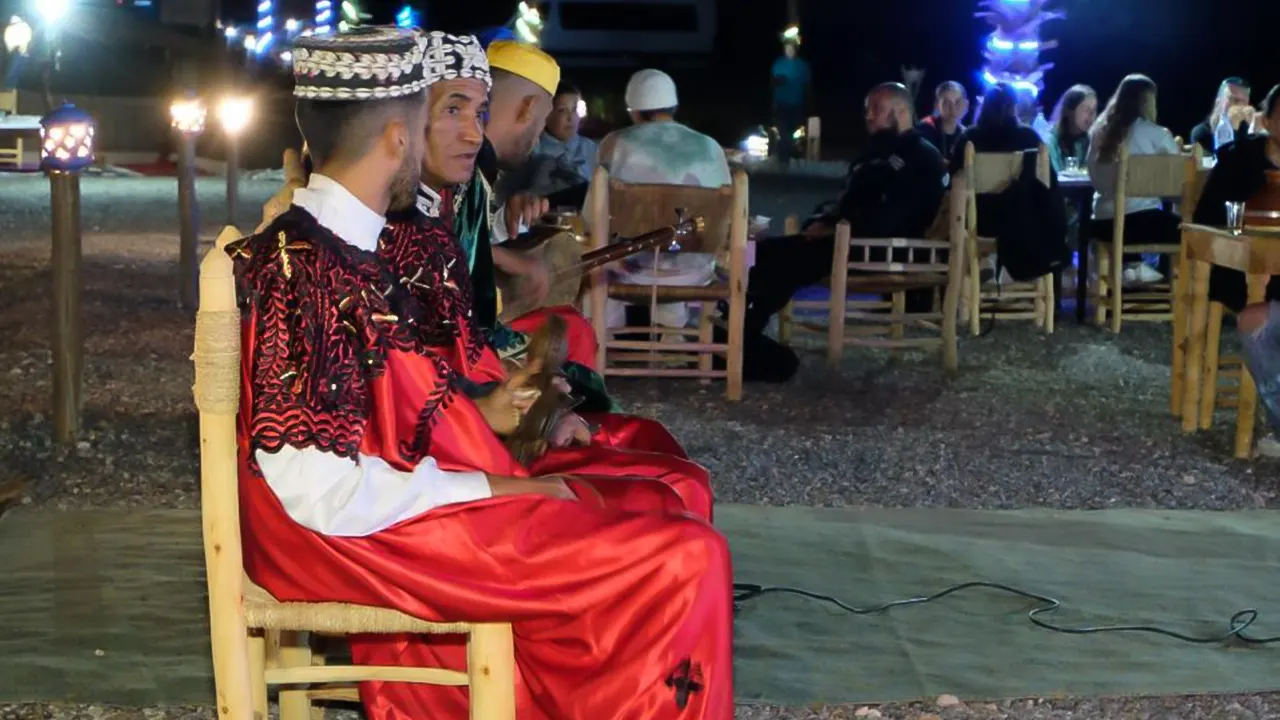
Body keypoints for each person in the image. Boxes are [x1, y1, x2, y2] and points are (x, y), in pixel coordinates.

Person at [232, 27, 733, 720]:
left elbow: (398, 415)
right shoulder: (307, 267)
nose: (467, 133)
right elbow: (318, 490)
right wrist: (497, 485)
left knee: (658, 512)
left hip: (386, 509)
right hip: (347, 539)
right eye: (440, 111)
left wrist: (495, 419)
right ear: (401, 135)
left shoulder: (349, 248)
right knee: (681, 555)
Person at [378, 31, 713, 517]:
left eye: (479, 113)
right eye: (454, 111)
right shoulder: (347, 247)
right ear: (400, 125)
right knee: (676, 499)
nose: (474, 133)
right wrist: (515, 414)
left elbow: (437, 357)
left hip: (453, 435)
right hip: (432, 485)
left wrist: (519, 400)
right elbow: (388, 429)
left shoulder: (420, 210)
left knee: (667, 474)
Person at [735, 82, 946, 381]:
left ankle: (746, 334)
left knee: (788, 259)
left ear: (901, 112)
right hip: (849, 240)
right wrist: (822, 221)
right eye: (867, 110)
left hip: (884, 247)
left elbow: (898, 214)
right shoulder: (873, 155)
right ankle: (741, 331)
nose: (869, 116)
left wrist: (840, 229)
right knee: (766, 251)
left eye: (877, 109)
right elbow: (845, 201)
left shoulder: (921, 157)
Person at [450, 40, 601, 377]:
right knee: (571, 332)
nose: (538, 136)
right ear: (528, 108)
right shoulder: (465, 157)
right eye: (543, 119)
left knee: (570, 325)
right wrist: (512, 259)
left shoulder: (476, 158)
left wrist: (504, 221)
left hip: (459, 325)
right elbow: (437, 238)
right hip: (449, 339)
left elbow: (463, 225)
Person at [585, 68, 732, 333]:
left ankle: (604, 335)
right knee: (676, 247)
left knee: (594, 251)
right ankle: (672, 331)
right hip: (696, 272)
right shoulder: (711, 146)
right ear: (673, 106)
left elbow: (590, 217)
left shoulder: (615, 143)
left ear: (634, 110)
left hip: (632, 270)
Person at [1196, 84, 1280, 456]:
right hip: (1246, 277)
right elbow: (1205, 222)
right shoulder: (1239, 159)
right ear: (1268, 120)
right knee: (1256, 322)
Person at [1087, 73, 1181, 285]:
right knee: (1191, 232)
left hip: (1101, 222)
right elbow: (1179, 179)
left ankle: (1133, 270)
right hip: (1139, 225)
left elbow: (1092, 176)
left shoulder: (1098, 131)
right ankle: (1173, 291)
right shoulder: (1156, 134)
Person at [531, 81, 598, 186]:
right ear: (546, 114)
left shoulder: (589, 147)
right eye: (562, 110)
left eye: (575, 109)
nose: (570, 117)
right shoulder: (534, 149)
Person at [771, 28, 811, 162]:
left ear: (795, 49)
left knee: (793, 133)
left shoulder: (802, 66)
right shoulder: (778, 64)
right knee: (783, 132)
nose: (788, 50)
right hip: (782, 104)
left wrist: (808, 104)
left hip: (797, 105)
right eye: (786, 47)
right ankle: (783, 159)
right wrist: (779, 81)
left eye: (791, 47)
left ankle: (791, 157)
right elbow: (774, 82)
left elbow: (807, 86)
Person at [1189, 77, 1253, 154]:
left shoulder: (1249, 131)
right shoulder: (1202, 133)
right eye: (1234, 99)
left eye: (1244, 102)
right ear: (1218, 102)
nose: (1239, 106)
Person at [1046, 84, 1097, 172]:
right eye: (1086, 109)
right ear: (1069, 111)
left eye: (1094, 109)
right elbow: (1054, 176)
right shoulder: (1050, 140)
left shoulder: (1091, 140)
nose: (1091, 115)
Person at [916, 81, 969, 161]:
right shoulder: (923, 130)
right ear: (937, 105)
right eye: (946, 103)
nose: (952, 108)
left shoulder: (966, 134)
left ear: (965, 104)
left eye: (957, 102)